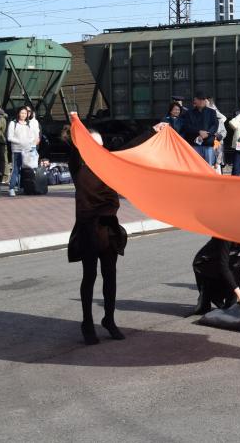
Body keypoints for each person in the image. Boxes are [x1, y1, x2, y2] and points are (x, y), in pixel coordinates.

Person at [65, 120, 167, 344]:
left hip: (108, 227)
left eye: (101, 146)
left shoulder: (109, 164)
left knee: (110, 275)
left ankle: (109, 319)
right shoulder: (77, 166)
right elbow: (75, 146)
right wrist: (77, 128)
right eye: (93, 146)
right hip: (87, 228)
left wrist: (152, 130)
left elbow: (128, 150)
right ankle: (87, 323)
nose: (99, 150)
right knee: (89, 276)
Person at [190, 238, 240, 314]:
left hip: (221, 263)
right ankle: (206, 294)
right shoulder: (226, 236)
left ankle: (229, 304)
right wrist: (239, 293)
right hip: (204, 265)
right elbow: (223, 267)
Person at [6, 106, 40, 196]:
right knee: (16, 169)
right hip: (16, 150)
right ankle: (12, 188)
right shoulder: (13, 123)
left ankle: (24, 187)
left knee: (27, 169)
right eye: (22, 113)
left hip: (27, 150)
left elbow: (32, 136)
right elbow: (10, 137)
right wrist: (21, 141)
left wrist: (31, 141)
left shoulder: (28, 124)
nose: (24, 115)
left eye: (25, 113)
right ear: (18, 113)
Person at [180, 91, 220, 166]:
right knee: (194, 166)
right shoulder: (189, 113)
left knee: (208, 167)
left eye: (203, 99)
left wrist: (207, 134)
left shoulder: (212, 112)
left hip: (208, 144)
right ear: (195, 100)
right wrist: (199, 131)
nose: (202, 101)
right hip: (194, 144)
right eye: (200, 99)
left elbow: (215, 126)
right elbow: (187, 127)